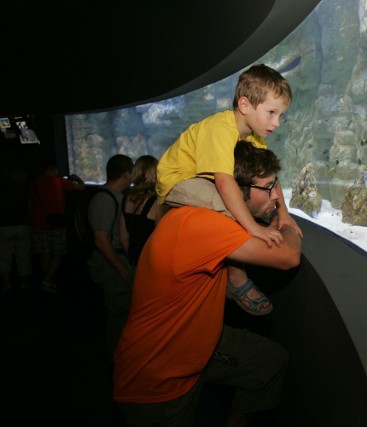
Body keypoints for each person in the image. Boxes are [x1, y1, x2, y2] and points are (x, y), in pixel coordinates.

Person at [114, 142, 301, 427]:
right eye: (269, 187)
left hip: (198, 342)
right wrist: (285, 222)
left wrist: (276, 208)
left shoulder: (209, 214)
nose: (277, 196)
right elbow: (289, 256)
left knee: (269, 360)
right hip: (158, 376)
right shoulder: (201, 224)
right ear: (237, 190)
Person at [156, 63, 303, 316]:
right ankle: (236, 279)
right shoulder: (221, 128)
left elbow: (270, 176)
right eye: (271, 113)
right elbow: (224, 181)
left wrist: (284, 214)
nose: (276, 122)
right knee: (231, 210)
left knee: (241, 204)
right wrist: (253, 226)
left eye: (280, 115)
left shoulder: (254, 135)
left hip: (200, 178)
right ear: (245, 105)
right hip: (177, 179)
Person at [86, 154, 134, 360]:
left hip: (116, 260)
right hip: (111, 263)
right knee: (118, 313)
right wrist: (120, 268)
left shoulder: (113, 197)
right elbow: (101, 240)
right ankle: (116, 357)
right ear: (126, 175)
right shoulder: (104, 199)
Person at [30, 160, 85, 294]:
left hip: (38, 223)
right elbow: (82, 187)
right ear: (54, 169)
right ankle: (47, 281)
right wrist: (77, 179)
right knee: (58, 253)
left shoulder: (34, 183)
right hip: (56, 224)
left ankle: (49, 281)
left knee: (45, 253)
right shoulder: (58, 181)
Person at [119, 155, 167, 270]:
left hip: (133, 261)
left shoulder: (127, 198)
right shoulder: (158, 202)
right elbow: (161, 240)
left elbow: (123, 239)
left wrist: (134, 257)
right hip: (150, 264)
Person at [0, 166, 32, 295]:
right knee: (23, 257)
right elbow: (30, 209)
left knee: (3, 258)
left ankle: (6, 284)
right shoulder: (24, 192)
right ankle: (24, 284)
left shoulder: (2, 192)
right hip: (23, 226)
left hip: (3, 227)